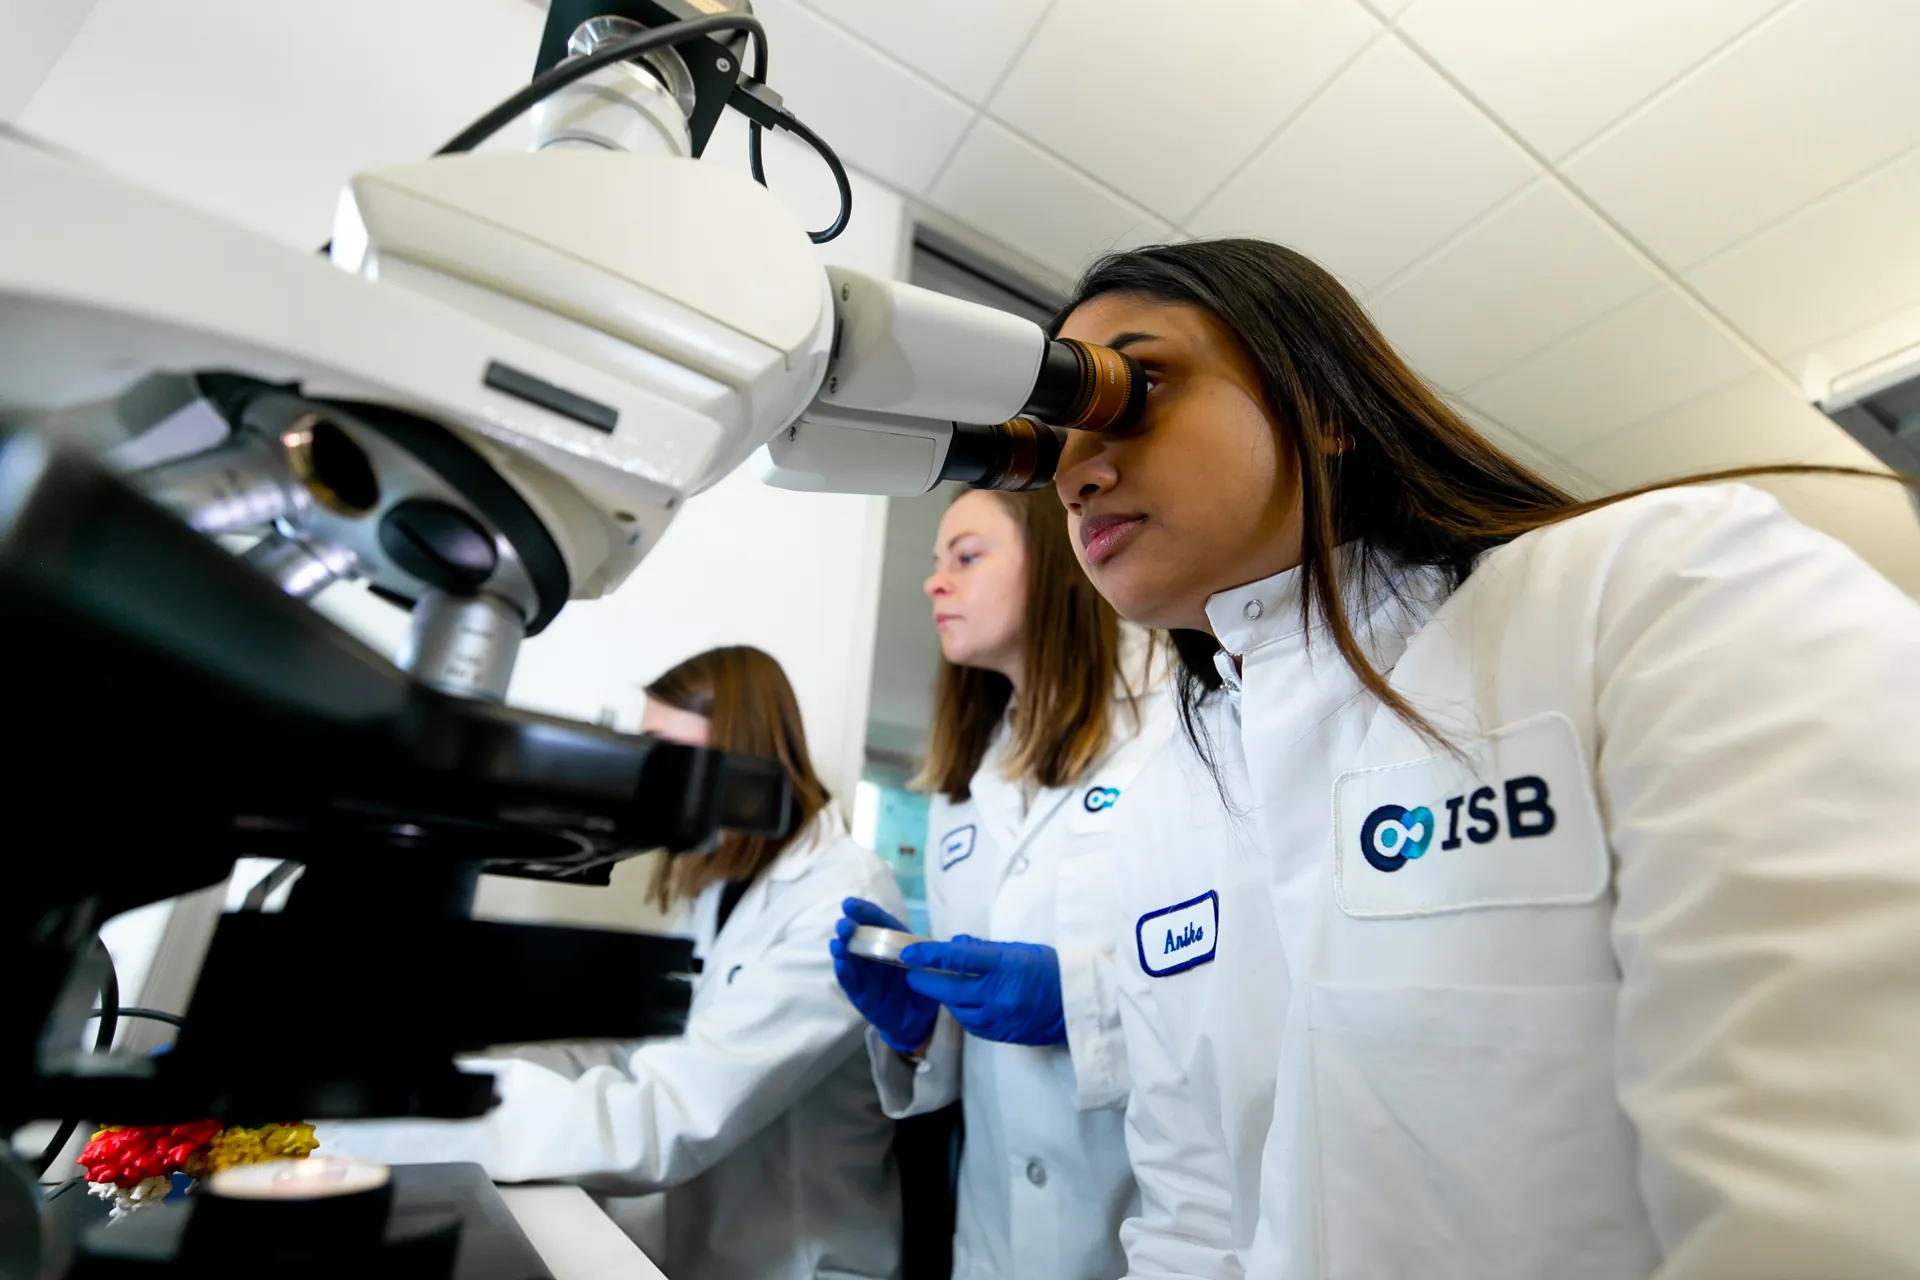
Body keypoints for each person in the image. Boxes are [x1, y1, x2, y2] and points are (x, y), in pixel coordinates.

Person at [1044, 236, 1920, 1279]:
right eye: (1051, 434)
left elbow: (1833, 1189)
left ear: (1321, 403)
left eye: (1130, 389)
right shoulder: (1158, 808)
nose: (1076, 472)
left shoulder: (1651, 592)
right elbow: (1189, 1215)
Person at [319, 646, 904, 1280]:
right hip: (695, 1245)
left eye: (664, 751)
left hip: (793, 1261)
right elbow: (638, 1053)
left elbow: (666, 1115)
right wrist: (465, 1075)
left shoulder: (841, 900)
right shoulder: (723, 879)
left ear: (743, 751)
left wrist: (407, 1121)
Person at [831, 487, 1173, 1279]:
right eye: (935, 562)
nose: (934, 582)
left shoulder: (1171, 730)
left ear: (1054, 563)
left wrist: (1080, 1006)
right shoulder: (965, 786)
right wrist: (921, 1029)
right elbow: (971, 1055)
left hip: (1141, 1220)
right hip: (993, 1233)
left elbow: (1242, 986)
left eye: (966, 556)